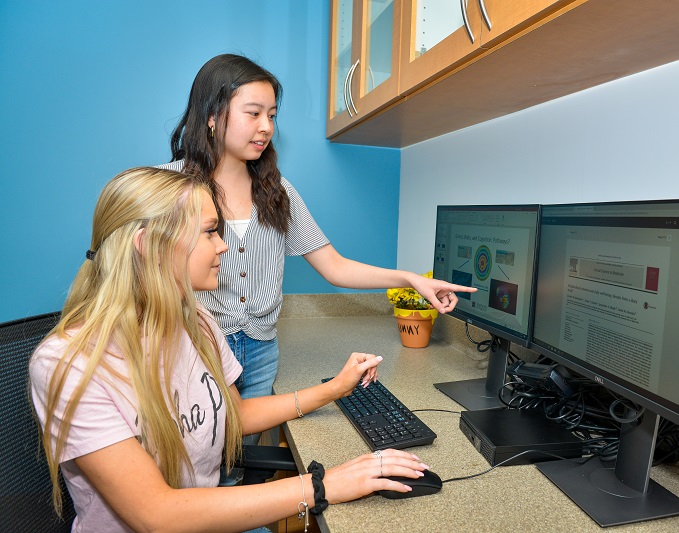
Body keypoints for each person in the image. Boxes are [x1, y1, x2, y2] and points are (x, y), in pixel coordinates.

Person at [29, 167, 429, 533]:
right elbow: (158, 514)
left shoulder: (197, 322)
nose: (223, 246)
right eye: (209, 232)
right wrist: (324, 484)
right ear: (148, 245)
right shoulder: (69, 363)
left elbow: (234, 414)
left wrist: (335, 389)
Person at [161, 53, 475, 427]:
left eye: (272, 116)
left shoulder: (277, 192)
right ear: (212, 116)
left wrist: (410, 279)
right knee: (202, 450)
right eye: (253, 113)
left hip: (261, 349)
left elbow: (335, 267)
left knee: (240, 450)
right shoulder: (167, 187)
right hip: (192, 345)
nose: (266, 127)